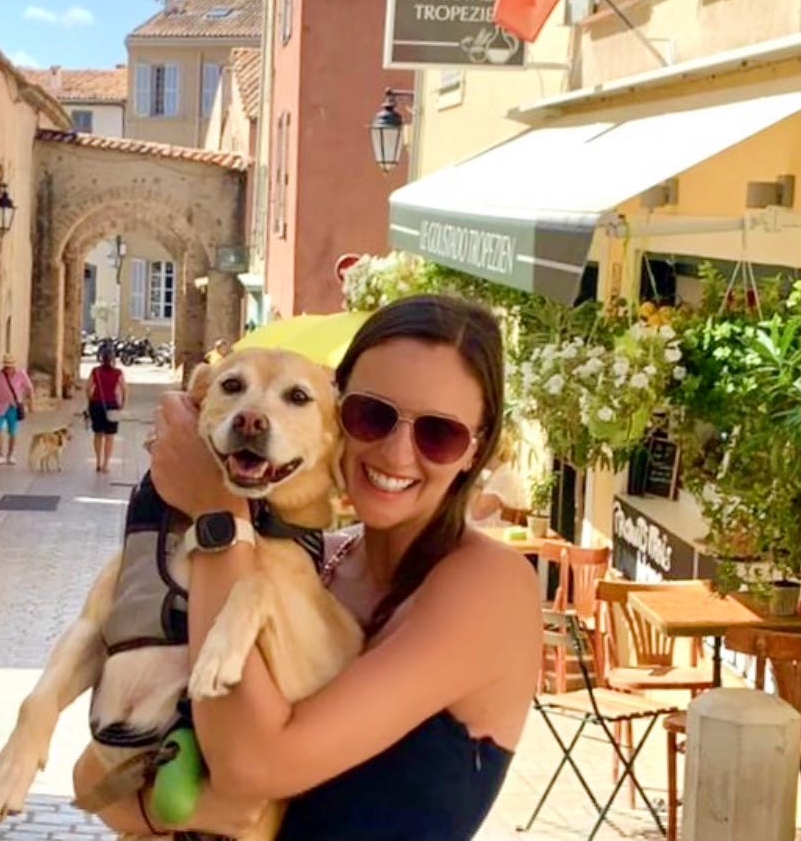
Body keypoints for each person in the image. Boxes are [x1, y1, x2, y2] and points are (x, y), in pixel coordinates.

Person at [75, 293, 541, 840]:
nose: (395, 453)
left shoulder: (490, 586)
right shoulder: (319, 562)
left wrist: (217, 513)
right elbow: (98, 775)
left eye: (439, 433)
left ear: (475, 450)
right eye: (372, 415)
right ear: (335, 418)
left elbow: (250, 766)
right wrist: (163, 809)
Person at [468, 431, 527, 529]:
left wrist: (474, 477)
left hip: (494, 539)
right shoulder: (497, 475)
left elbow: (478, 512)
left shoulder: (505, 476)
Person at [0, 353, 34, 467]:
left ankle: (10, 455)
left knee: (13, 432)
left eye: (11, 366)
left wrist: (31, 403)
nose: (9, 369)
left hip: (13, 407)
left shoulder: (21, 374)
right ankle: (0, 454)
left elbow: (29, 388)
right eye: (7, 366)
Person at [87, 347, 126, 473]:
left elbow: (88, 388)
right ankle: (106, 464)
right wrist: (122, 404)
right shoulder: (118, 373)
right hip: (112, 406)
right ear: (113, 359)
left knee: (98, 434)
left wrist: (90, 400)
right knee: (110, 436)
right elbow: (124, 389)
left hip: (97, 404)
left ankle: (97, 461)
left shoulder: (95, 371)